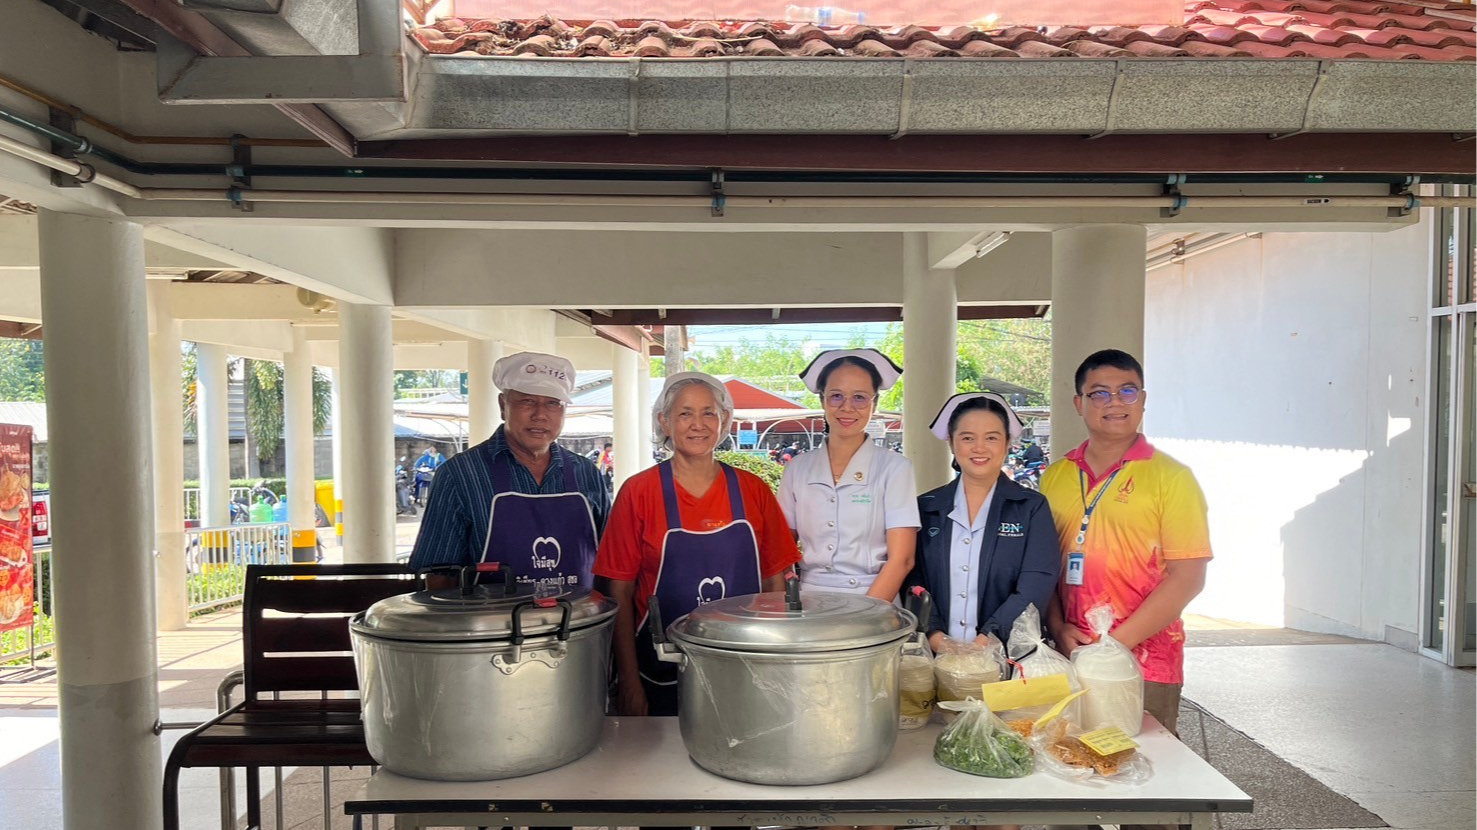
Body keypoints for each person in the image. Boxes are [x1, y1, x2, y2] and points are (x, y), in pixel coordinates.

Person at [595, 371, 801, 717]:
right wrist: (628, 682)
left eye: (709, 413)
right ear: (664, 421)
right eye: (685, 413)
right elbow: (620, 592)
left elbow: (774, 583)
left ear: (724, 421)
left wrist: (774, 662)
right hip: (658, 674)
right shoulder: (639, 492)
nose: (698, 424)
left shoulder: (754, 491)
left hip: (744, 666)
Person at [1041, 349, 1212, 738]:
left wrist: (1112, 649)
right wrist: (1058, 626)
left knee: (1142, 774)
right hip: (1069, 652)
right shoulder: (1055, 476)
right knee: (1071, 763)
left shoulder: (1172, 478)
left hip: (1145, 663)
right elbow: (1043, 565)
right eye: (1099, 393)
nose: (1115, 402)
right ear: (1078, 404)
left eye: (1127, 391)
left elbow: (1188, 578)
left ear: (1144, 400)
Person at [408, 352, 611, 595]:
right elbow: (439, 576)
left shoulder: (586, 473)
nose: (540, 414)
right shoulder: (459, 475)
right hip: (491, 627)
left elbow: (611, 560)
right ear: (503, 405)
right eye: (527, 401)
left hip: (579, 626)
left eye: (553, 403)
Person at [909, 393, 1061, 651]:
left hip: (1009, 657)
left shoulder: (1031, 507)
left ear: (1007, 443)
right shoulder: (926, 507)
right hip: (935, 657)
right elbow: (913, 580)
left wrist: (985, 642)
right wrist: (937, 638)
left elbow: (1035, 586)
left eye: (991, 437)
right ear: (952, 444)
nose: (979, 448)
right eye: (967, 438)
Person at [777, 349, 919, 600]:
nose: (847, 407)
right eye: (836, 396)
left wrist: (867, 616)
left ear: (874, 404)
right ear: (822, 401)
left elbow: (902, 559)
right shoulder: (796, 469)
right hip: (808, 601)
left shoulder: (895, 468)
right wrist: (789, 601)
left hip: (876, 599)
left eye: (860, 397)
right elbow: (781, 549)